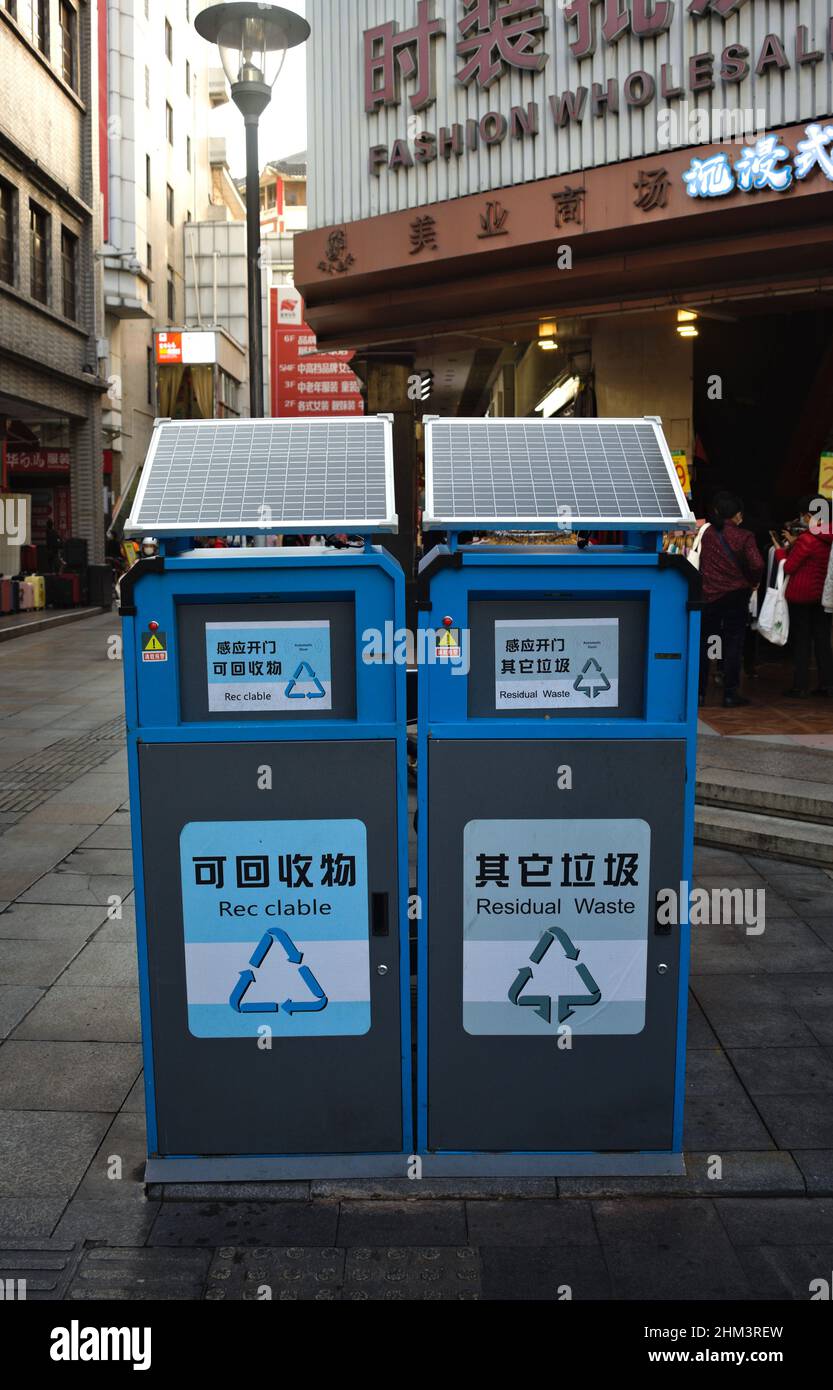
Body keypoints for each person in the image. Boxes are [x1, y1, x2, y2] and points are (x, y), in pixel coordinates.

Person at [699, 493, 764, 708]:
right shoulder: (745, 536)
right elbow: (757, 564)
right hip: (736, 596)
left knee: (707, 643)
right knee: (733, 643)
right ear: (737, 514)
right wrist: (753, 582)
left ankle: (700, 693)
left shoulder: (708, 533)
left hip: (710, 596)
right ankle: (729, 693)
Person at [772, 497, 833, 697]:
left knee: (802, 642)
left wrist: (781, 552)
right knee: (823, 640)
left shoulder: (808, 539)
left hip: (801, 595)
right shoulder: (828, 538)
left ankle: (800, 686)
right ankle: (826, 684)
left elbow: (790, 566)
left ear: (809, 516)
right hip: (822, 596)